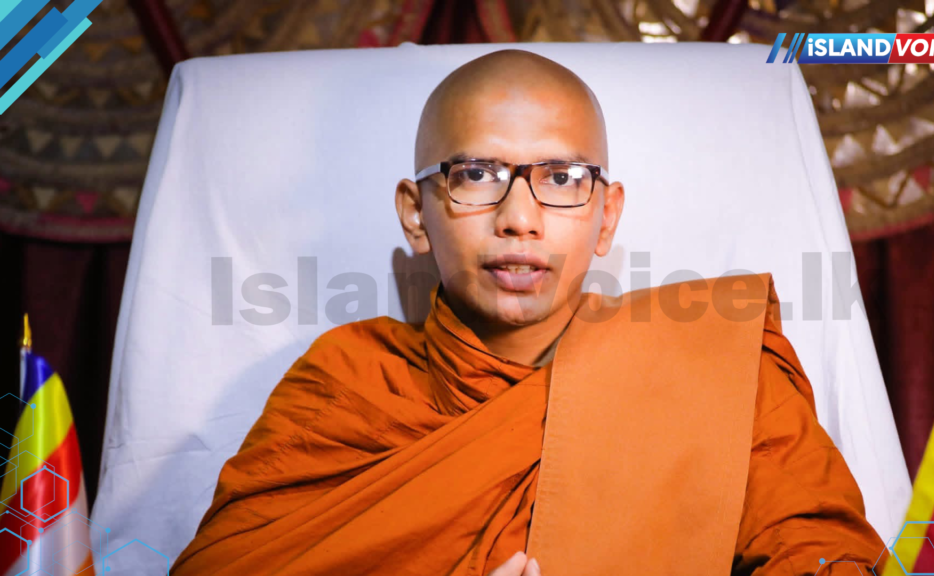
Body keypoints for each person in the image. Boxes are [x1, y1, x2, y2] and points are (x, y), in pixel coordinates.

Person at [171, 48, 886, 575]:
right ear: (416, 215)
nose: (519, 217)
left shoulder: (713, 367)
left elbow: (822, 554)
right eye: (476, 174)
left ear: (606, 217)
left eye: (562, 178)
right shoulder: (348, 384)